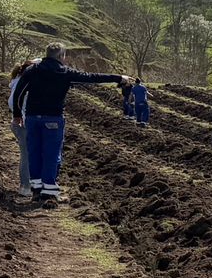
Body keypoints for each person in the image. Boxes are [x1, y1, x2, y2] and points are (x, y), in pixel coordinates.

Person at [11, 43, 128, 203]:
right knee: (51, 156)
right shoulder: (65, 72)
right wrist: (118, 78)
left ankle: (36, 190)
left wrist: (17, 114)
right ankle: (49, 192)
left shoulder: (32, 70)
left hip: (32, 118)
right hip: (53, 119)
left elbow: (19, 92)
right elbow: (91, 78)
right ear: (61, 56)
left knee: (34, 153)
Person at [7, 59, 38, 199]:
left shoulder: (17, 81)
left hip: (18, 122)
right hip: (23, 123)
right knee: (27, 155)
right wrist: (23, 118)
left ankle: (28, 184)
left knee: (27, 154)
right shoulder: (25, 84)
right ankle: (26, 186)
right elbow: (19, 104)